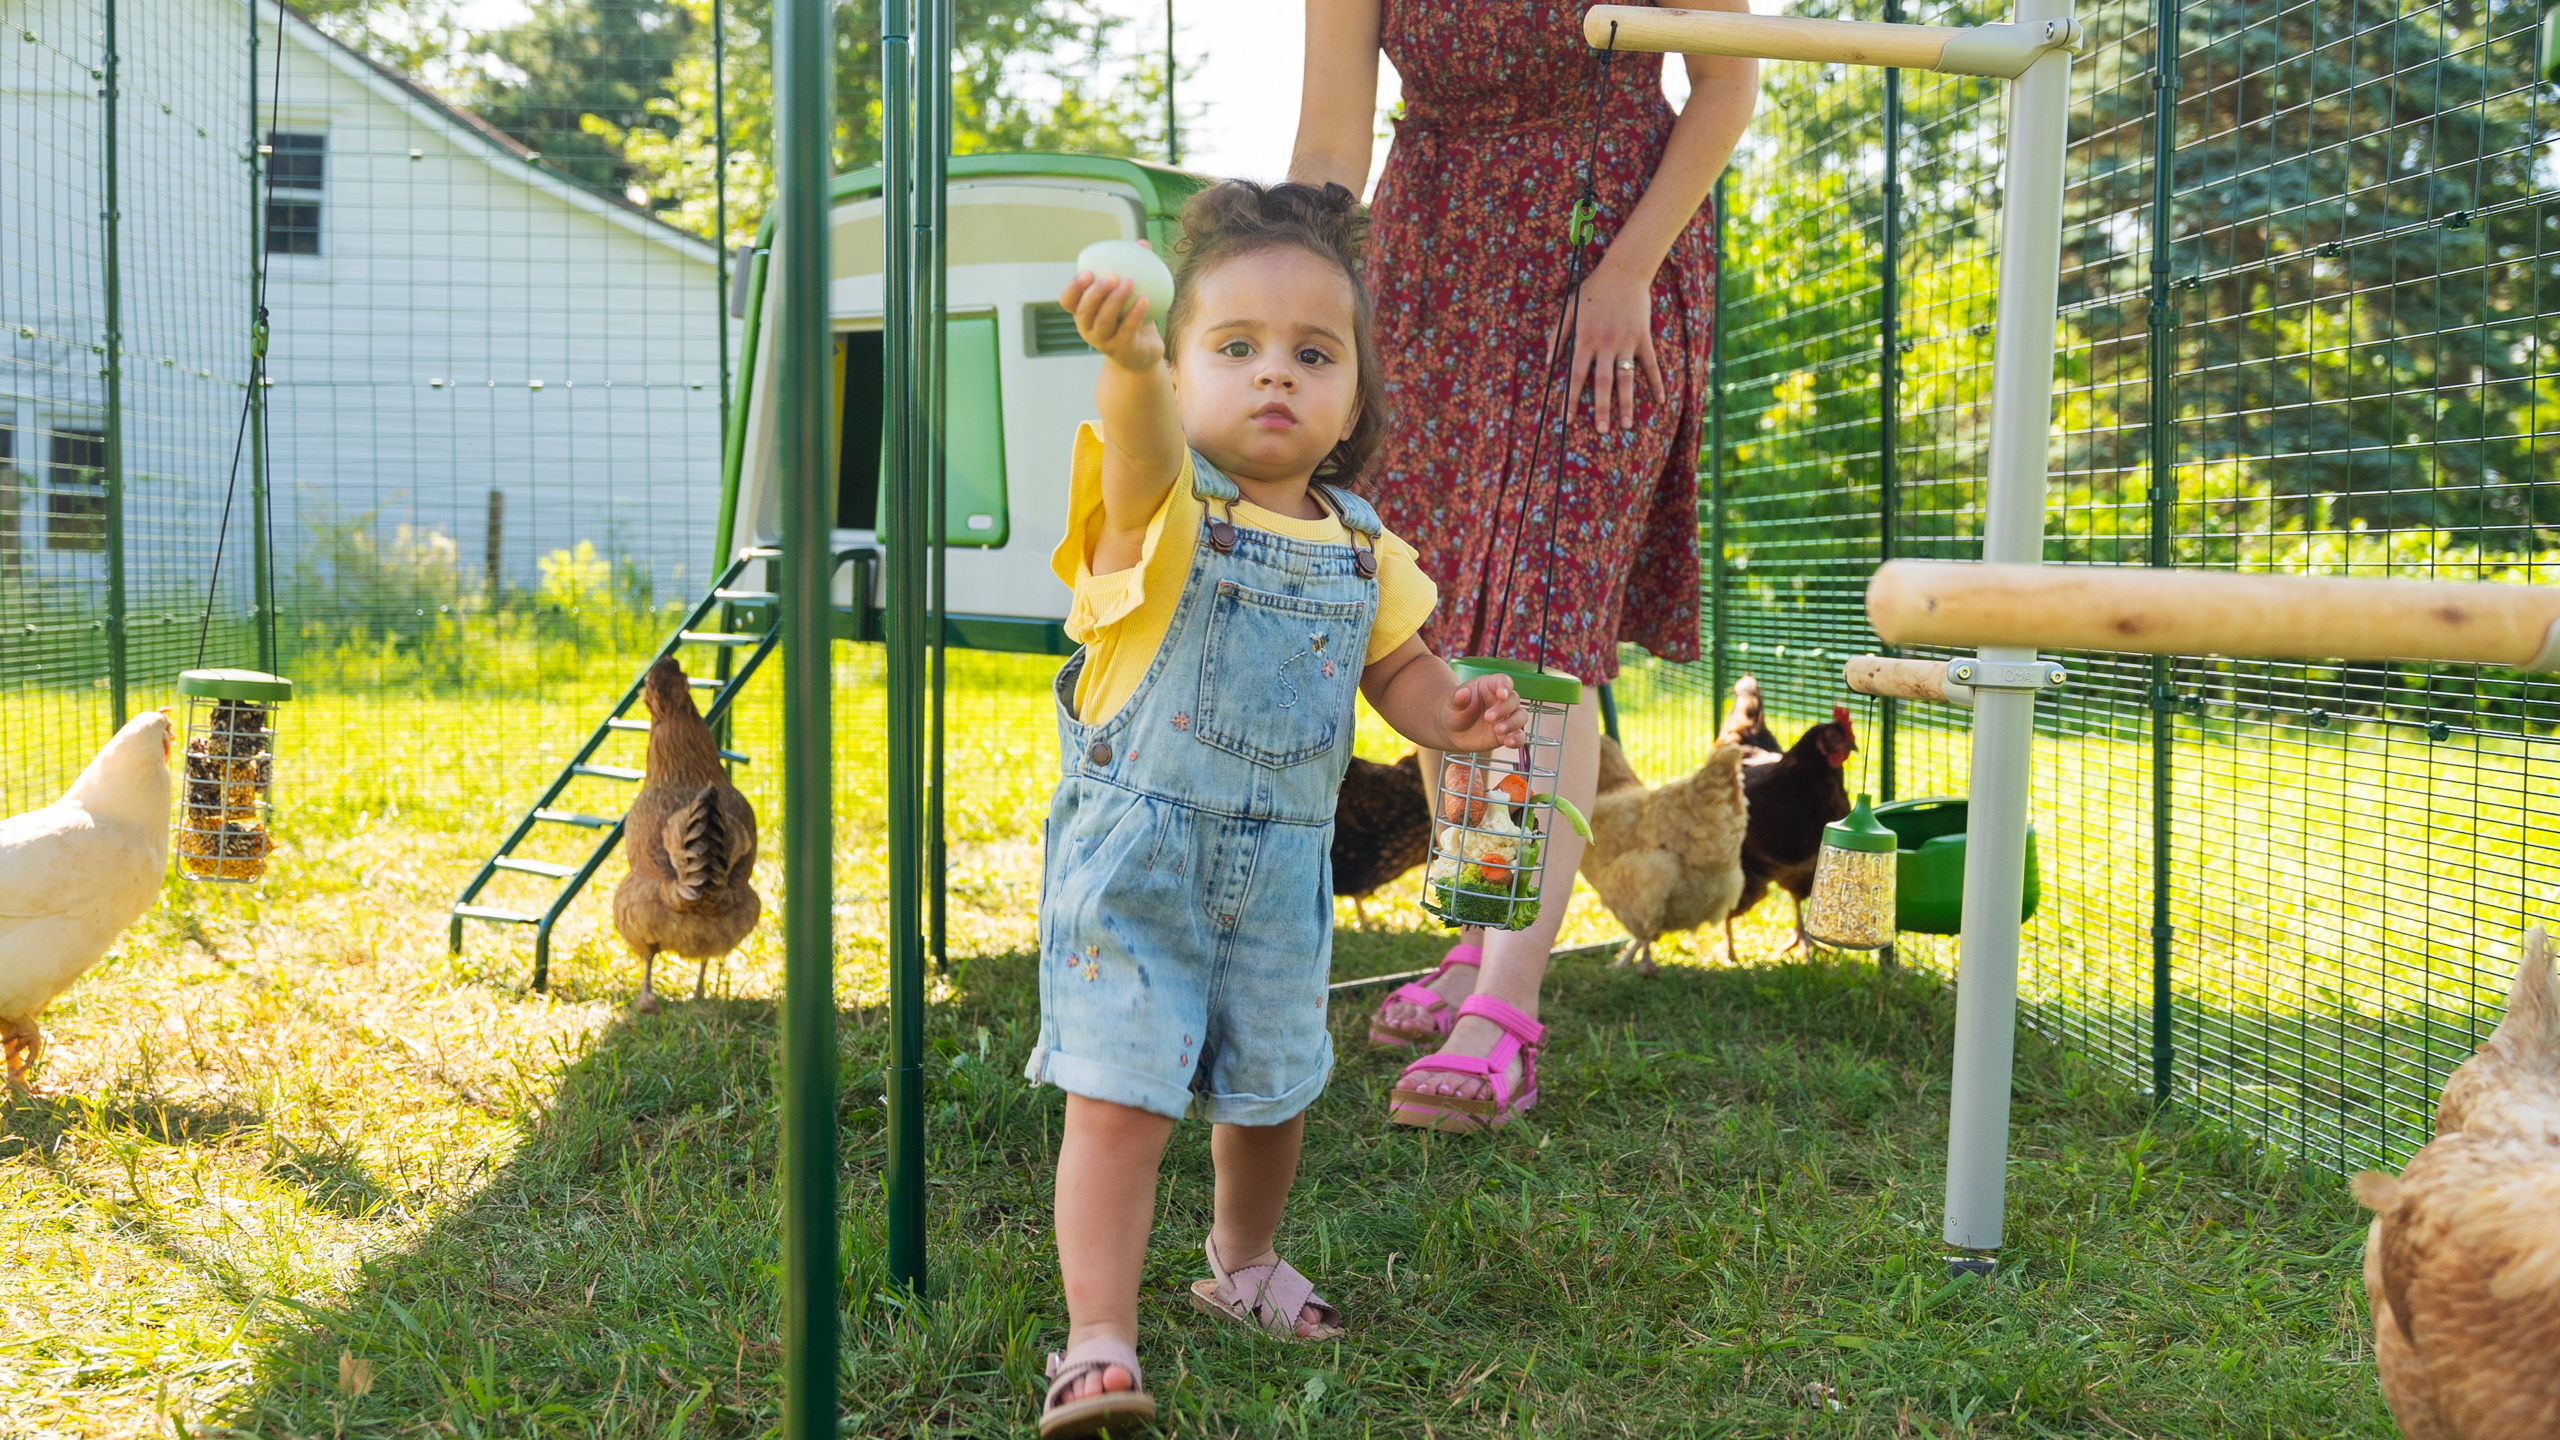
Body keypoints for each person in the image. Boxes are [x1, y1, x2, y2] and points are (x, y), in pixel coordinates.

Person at [1024, 179, 1528, 1439]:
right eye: (1232, 349)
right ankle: (1097, 1338)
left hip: (1284, 877)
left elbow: (1399, 667)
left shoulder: (1368, 548)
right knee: (1123, 1098)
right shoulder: (1162, 510)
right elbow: (1139, 442)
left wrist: (1450, 712)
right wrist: (1130, 367)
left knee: (1272, 1094)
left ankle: (1239, 1261)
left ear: (1353, 397)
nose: (1274, 378)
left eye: (1313, 354)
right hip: (1141, 865)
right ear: (1184, 371)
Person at [1292, 0, 1757, 1128]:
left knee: (1544, 614)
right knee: (1439, 621)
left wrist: (1626, 269)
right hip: (1431, 263)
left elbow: (1726, 87)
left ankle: (1505, 1010)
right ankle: (1474, 934)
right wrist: (1272, 283)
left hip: (1610, 263)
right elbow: (1327, 146)